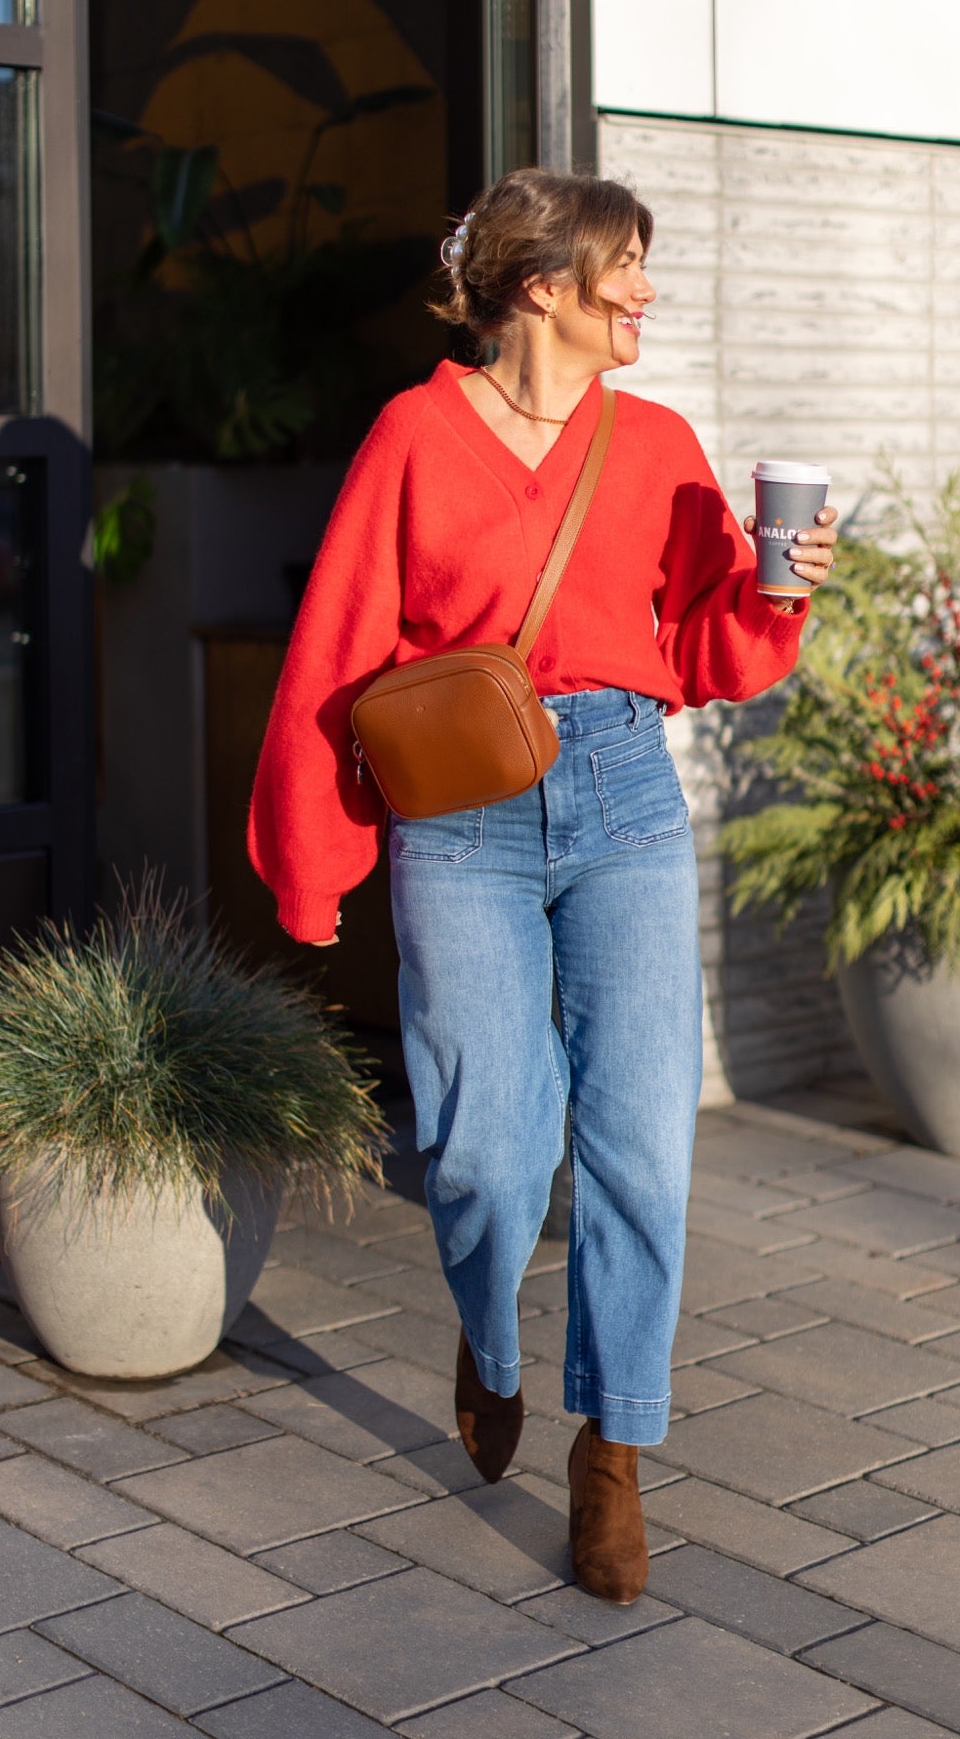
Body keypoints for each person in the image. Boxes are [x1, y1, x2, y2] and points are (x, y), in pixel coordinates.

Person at [248, 167, 837, 1603]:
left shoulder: (657, 445)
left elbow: (704, 647)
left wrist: (782, 582)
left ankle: (614, 1452)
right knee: (480, 1148)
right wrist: (312, 857)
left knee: (641, 1148)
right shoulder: (412, 436)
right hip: (460, 820)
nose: (643, 290)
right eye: (619, 268)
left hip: (624, 795)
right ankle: (492, 1339)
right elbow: (336, 649)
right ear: (539, 288)